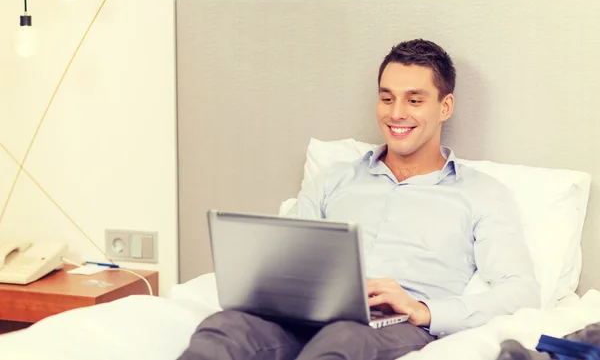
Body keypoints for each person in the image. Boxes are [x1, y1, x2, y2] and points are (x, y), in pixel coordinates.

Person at [178, 39, 540, 360]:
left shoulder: (482, 194)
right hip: (304, 316)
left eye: (414, 100)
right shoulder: (335, 179)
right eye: (387, 98)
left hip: (392, 328)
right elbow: (285, 261)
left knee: (344, 340)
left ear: (445, 107)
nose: (396, 113)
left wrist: (424, 310)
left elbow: (520, 291)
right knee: (223, 327)